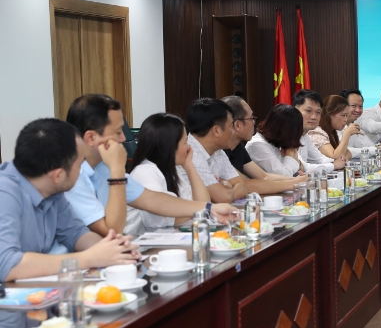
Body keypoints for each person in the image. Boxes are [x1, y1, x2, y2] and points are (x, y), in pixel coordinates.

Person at [64, 94, 233, 235]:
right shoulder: (71, 177)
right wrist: (117, 170)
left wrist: (209, 208)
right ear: (91, 138)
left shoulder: (102, 168)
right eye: (117, 132)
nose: (123, 139)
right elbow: (111, 230)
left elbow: (152, 199)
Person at [0, 118, 140, 281]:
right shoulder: (5, 192)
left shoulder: (51, 187)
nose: (81, 171)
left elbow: (75, 233)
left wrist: (114, 249)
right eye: (79, 165)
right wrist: (89, 258)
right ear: (58, 175)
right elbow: (6, 264)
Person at [125, 113, 210, 234]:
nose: (189, 147)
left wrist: (189, 166)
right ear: (170, 146)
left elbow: (203, 203)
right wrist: (196, 209)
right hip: (139, 243)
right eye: (185, 142)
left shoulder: (171, 170)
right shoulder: (145, 171)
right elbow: (161, 217)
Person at [221, 95, 306, 194]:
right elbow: (246, 185)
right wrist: (296, 183)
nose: (254, 123)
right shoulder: (219, 151)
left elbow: (264, 176)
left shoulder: (238, 147)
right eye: (251, 119)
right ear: (237, 125)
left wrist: (300, 180)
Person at [182, 98, 248, 203]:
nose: (233, 132)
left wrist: (226, 191)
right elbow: (223, 197)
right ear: (216, 130)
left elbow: (242, 187)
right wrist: (227, 190)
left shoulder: (218, 150)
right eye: (231, 126)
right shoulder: (191, 153)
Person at [293, 90, 345, 173]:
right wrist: (334, 165)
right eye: (308, 111)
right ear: (295, 111)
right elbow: (302, 167)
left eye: (318, 112)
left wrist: (337, 160)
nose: (314, 117)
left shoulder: (305, 135)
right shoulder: (287, 134)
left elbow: (320, 159)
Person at [246, 104, 305, 176]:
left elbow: (302, 166)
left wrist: (298, 163)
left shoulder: (279, 142)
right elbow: (284, 176)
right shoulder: (257, 145)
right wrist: (289, 155)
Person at [309, 95, 361, 160]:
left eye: (346, 115)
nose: (345, 120)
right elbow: (335, 158)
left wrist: (342, 156)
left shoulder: (332, 131)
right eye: (343, 115)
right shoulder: (316, 132)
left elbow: (348, 153)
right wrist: (347, 134)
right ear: (330, 114)